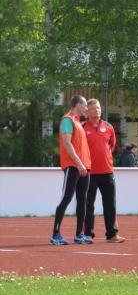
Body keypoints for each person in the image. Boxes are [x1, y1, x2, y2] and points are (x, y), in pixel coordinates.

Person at [50, 95, 93, 245]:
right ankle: (55, 235)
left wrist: (84, 165)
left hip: (84, 167)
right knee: (66, 198)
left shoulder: (78, 122)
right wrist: (79, 163)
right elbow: (67, 144)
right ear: (78, 105)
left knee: (82, 200)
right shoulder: (67, 120)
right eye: (85, 105)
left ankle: (79, 234)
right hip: (73, 166)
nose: (86, 108)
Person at [82, 99, 125, 243]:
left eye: (99, 108)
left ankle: (112, 234)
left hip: (107, 171)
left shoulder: (108, 127)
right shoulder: (82, 127)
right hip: (89, 173)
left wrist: (104, 157)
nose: (97, 110)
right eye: (93, 108)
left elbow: (112, 145)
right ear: (87, 111)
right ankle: (87, 234)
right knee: (88, 205)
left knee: (110, 203)